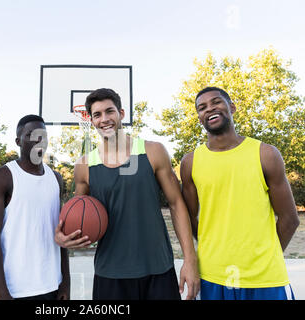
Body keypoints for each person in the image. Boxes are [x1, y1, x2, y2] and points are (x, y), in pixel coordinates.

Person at [55, 88, 199, 300]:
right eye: (97, 114)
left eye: (109, 111)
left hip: (157, 268)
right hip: (110, 273)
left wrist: (190, 260)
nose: (104, 119)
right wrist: (63, 236)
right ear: (91, 120)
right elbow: (77, 214)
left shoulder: (153, 151)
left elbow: (177, 204)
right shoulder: (84, 165)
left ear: (121, 113)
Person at [180, 86, 300, 300]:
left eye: (216, 102)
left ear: (232, 108)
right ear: (199, 118)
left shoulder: (266, 154)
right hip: (212, 275)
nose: (209, 109)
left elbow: (290, 219)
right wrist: (214, 245)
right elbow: (189, 218)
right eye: (202, 107)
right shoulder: (190, 162)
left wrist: (266, 256)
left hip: (265, 277)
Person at [0, 115, 70, 300]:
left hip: (52, 285)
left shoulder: (56, 178)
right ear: (18, 141)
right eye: (31, 135)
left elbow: (60, 231)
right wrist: (1, 291)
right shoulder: (3, 176)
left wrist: (65, 282)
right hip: (15, 290)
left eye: (43, 136)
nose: (39, 140)